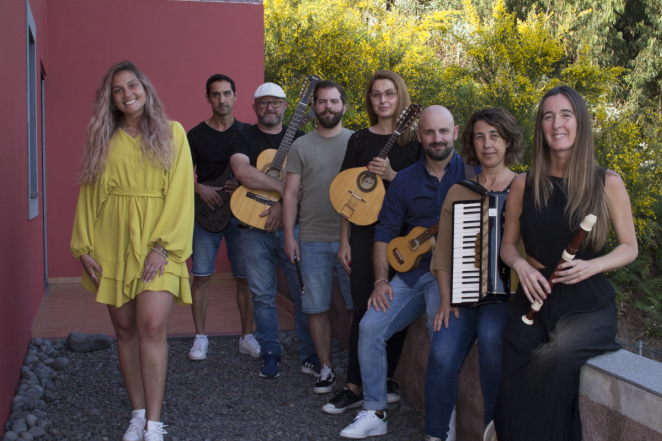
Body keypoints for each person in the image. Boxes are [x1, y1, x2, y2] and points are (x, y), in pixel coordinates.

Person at [491, 86, 638, 441]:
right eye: (548, 116)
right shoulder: (523, 184)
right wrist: (522, 267)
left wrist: (594, 265)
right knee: (516, 367)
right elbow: (507, 246)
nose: (557, 124)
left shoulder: (608, 182)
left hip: (587, 303)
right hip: (534, 294)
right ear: (541, 126)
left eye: (566, 115)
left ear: (581, 123)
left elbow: (629, 247)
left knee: (551, 363)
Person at [70, 61, 194, 441]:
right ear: (111, 99)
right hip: (112, 240)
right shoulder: (103, 140)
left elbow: (181, 193)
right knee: (124, 329)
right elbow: (90, 194)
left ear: (145, 88)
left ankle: (155, 423)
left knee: (152, 324)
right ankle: (137, 414)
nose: (127, 94)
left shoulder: (173, 133)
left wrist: (163, 246)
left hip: (159, 240)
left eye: (132, 85)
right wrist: (83, 246)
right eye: (118, 90)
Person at [339, 106, 478, 439]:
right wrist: (381, 280)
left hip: (453, 274)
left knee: (441, 335)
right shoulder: (405, 180)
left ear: (456, 133)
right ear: (419, 136)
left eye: (443, 131)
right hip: (413, 274)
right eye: (429, 132)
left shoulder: (474, 174)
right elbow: (384, 233)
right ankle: (374, 411)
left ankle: (444, 421)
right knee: (370, 326)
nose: (437, 138)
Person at [324, 70, 423, 415]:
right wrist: (344, 240)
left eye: (389, 94)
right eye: (376, 94)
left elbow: (425, 192)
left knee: (395, 307)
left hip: (403, 236)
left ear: (401, 98)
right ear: (369, 100)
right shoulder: (359, 140)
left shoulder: (416, 142)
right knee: (363, 309)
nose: (382, 100)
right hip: (365, 234)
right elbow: (346, 192)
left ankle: (383, 379)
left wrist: (394, 176)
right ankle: (353, 386)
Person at [426, 108, 524, 441]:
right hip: (462, 296)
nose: (487, 144)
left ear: (508, 142)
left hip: (505, 297)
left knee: (493, 342)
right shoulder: (459, 192)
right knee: (440, 352)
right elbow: (441, 255)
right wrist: (444, 297)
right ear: (471, 143)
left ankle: (495, 432)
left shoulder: (524, 189)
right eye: (480, 136)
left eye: (495, 136)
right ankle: (435, 434)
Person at [229, 82, 317, 378]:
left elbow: (308, 184)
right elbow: (242, 171)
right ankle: (270, 351)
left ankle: (310, 353)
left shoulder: (302, 140)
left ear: (285, 107)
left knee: (303, 293)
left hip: (292, 228)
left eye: (276, 103)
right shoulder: (244, 137)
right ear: (255, 108)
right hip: (252, 227)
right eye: (264, 103)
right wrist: (283, 190)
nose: (270, 108)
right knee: (262, 296)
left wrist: (283, 206)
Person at [283, 80, 355, 394]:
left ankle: (358, 368)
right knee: (315, 308)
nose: (327, 107)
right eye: (322, 102)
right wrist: (289, 236)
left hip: (351, 241)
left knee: (358, 308)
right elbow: (290, 194)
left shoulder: (357, 142)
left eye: (333, 101)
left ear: (344, 106)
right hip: (310, 238)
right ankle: (326, 368)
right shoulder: (300, 145)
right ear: (314, 107)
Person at [187, 74, 259, 361]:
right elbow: (177, 174)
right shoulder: (195, 135)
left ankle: (246, 337)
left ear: (236, 96)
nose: (222, 100)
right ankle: (200, 337)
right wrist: (198, 187)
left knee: (245, 278)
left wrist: (244, 184)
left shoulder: (247, 133)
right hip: (207, 215)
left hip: (241, 215)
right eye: (215, 95)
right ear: (207, 98)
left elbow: (260, 173)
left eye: (227, 93)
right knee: (201, 276)